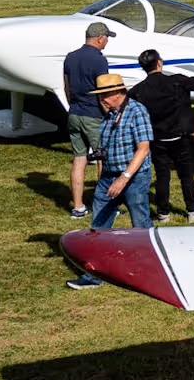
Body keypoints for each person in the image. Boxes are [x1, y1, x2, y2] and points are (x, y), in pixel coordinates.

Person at [66, 74, 154, 289]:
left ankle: (152, 270)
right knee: (98, 226)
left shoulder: (137, 111)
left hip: (133, 178)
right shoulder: (110, 114)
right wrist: (100, 171)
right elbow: (106, 149)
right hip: (109, 178)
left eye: (104, 95)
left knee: (140, 225)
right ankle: (93, 275)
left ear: (117, 93)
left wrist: (123, 179)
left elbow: (143, 149)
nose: (101, 100)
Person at [129, 48, 194, 223]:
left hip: (157, 139)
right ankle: (192, 211)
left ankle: (163, 213)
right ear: (159, 63)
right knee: (186, 175)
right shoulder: (176, 82)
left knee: (162, 176)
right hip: (179, 138)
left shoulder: (138, 90)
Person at [61, 22, 115, 219]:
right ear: (100, 38)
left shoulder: (70, 57)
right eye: (107, 38)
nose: (107, 42)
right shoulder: (100, 60)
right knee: (103, 159)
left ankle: (77, 206)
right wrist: (109, 111)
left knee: (79, 159)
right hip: (94, 115)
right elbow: (104, 91)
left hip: (74, 113)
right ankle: (102, 206)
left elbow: (66, 87)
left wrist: (72, 105)